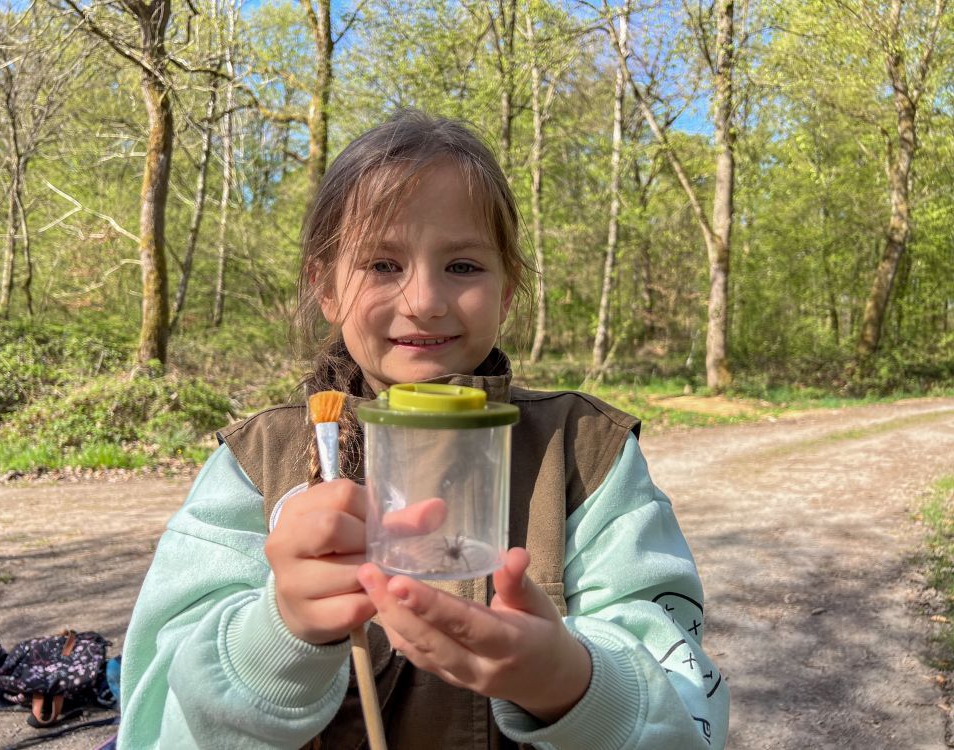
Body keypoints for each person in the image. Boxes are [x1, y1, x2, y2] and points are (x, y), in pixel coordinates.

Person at [118, 110, 729, 750]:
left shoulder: (585, 453)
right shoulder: (258, 463)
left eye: (463, 266)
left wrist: (568, 681)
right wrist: (280, 631)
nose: (424, 301)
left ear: (508, 289)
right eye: (383, 265)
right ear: (324, 287)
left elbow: (686, 710)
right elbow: (157, 719)